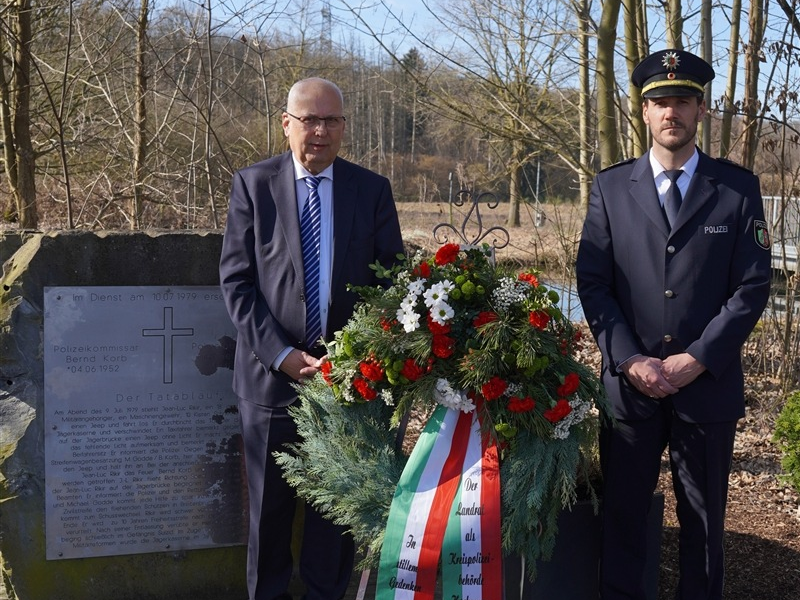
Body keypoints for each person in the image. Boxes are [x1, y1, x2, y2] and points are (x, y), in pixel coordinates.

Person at [576, 50, 772, 600]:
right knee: (622, 523)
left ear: (701, 110)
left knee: (704, 528)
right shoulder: (611, 189)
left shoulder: (737, 189)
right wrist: (629, 358)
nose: (671, 113)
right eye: (660, 102)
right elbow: (593, 284)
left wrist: (698, 357)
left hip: (705, 389)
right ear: (642, 111)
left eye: (682, 101)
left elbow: (753, 286)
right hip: (630, 390)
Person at [219, 77, 404, 600]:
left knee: (336, 520)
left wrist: (357, 356)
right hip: (270, 385)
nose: (320, 132)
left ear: (344, 127)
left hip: (349, 385)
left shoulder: (371, 190)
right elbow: (237, 283)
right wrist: (281, 355)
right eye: (309, 120)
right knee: (268, 518)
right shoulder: (253, 186)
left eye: (332, 121)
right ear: (286, 124)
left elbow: (392, 282)